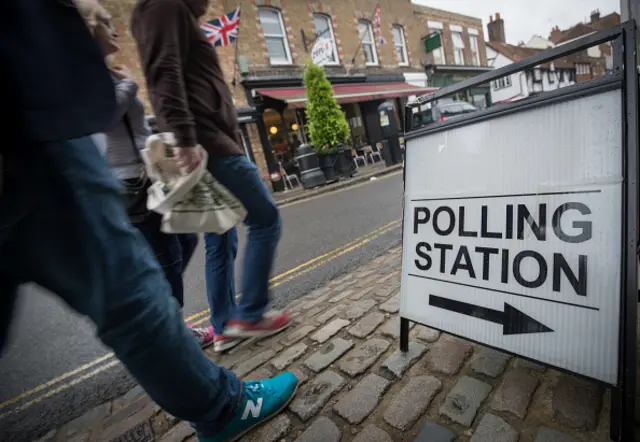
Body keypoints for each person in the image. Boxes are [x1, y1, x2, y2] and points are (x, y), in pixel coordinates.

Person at [0, 1, 298, 441]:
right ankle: (228, 375)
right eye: (101, 24)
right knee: (134, 288)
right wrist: (184, 136)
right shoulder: (159, 10)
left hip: (49, 134)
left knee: (195, 246)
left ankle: (215, 328)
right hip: (41, 130)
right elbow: (161, 77)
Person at [131, 0, 291, 352]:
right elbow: (164, 75)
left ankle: (223, 327)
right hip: (208, 144)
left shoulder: (171, 11)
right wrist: (185, 139)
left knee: (221, 236)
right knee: (265, 219)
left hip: (205, 141)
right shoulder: (165, 5)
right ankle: (249, 314)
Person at [75, 0, 213, 347]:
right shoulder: (90, 77)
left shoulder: (110, 73)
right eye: (106, 24)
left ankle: (161, 309)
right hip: (129, 183)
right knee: (168, 255)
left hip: (147, 173)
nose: (115, 29)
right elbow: (103, 118)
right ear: (90, 31)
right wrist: (130, 86)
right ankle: (174, 333)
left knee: (185, 239)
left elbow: (133, 126)